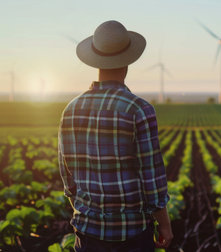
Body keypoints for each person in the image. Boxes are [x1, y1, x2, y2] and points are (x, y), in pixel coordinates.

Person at [58, 20, 172, 252]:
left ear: (95, 59)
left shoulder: (71, 109)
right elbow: (152, 179)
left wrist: (88, 212)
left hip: (87, 232)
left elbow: (68, 178)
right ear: (128, 61)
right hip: (132, 232)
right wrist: (165, 225)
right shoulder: (139, 109)